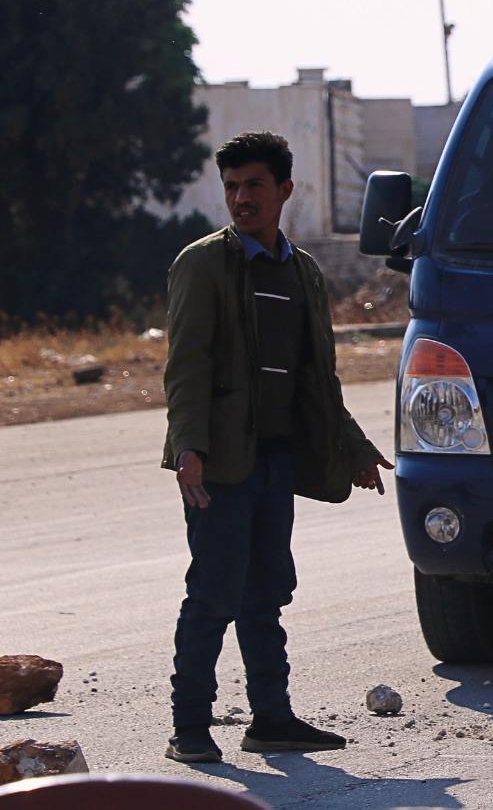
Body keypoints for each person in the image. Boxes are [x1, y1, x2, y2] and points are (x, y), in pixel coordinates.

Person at [161, 131, 393, 764]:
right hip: (219, 463)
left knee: (265, 594)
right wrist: (188, 449)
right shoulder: (203, 263)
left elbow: (318, 377)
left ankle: (272, 719)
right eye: (232, 187)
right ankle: (189, 728)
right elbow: (186, 368)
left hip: (275, 460)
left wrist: (353, 445)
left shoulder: (303, 272)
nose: (241, 198)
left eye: (254, 185)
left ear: (284, 189)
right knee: (213, 593)